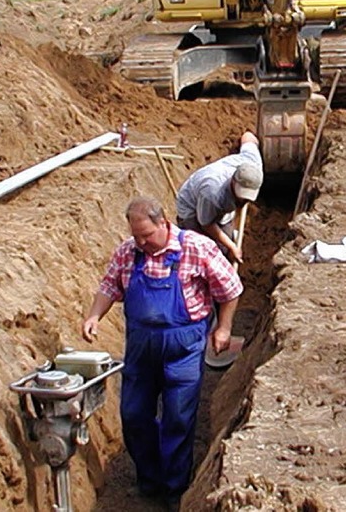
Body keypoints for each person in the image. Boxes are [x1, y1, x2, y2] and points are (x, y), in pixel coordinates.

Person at [81, 196, 242, 509]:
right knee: (134, 414)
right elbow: (110, 286)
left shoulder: (196, 248)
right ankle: (149, 478)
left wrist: (223, 328)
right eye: (137, 236)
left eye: (147, 235)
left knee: (178, 418)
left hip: (184, 346)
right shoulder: (129, 252)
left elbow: (230, 288)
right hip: (141, 349)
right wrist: (94, 315)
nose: (142, 242)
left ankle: (175, 488)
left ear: (164, 223)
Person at [176, 130, 263, 264]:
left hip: (220, 204)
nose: (243, 201)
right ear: (233, 181)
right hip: (191, 209)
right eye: (241, 195)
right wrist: (231, 245)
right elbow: (206, 223)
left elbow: (248, 137)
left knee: (224, 250)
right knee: (202, 253)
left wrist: (253, 136)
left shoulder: (253, 163)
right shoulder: (212, 191)